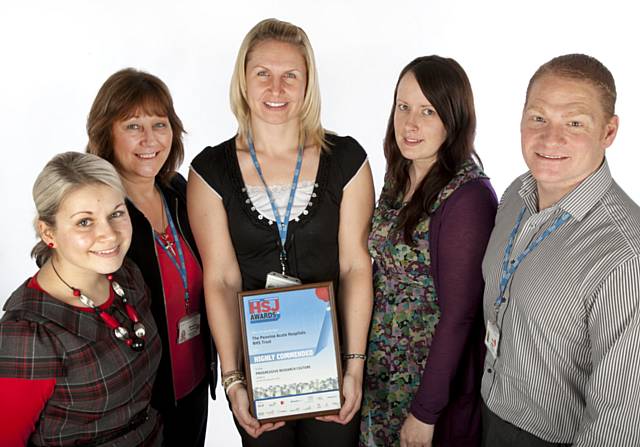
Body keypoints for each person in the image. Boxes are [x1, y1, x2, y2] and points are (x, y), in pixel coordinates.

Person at [188, 18, 374, 447]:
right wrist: (234, 381)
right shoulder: (209, 171)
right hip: (260, 372)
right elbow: (221, 279)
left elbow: (354, 266)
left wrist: (354, 367)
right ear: (243, 80)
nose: (276, 89)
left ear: (308, 83)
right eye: (263, 75)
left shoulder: (348, 159)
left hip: (334, 365)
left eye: (290, 75)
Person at [481, 54, 640, 446]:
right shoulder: (516, 194)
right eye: (538, 118)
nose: (551, 139)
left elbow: (618, 421)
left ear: (608, 131)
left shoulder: (625, 255)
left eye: (574, 123)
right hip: (487, 412)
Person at [360, 56, 498, 447]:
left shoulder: (468, 197)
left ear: (453, 119)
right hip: (381, 369)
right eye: (403, 107)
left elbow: (460, 316)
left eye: (428, 111)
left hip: (428, 384)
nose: (410, 123)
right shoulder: (399, 173)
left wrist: (425, 411)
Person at [86, 68, 216, 447]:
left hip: (193, 382)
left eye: (159, 124)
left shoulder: (179, 191)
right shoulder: (96, 208)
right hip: (134, 402)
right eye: (132, 126)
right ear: (106, 132)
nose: (149, 139)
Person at [0, 152, 162, 446]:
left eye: (116, 214)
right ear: (48, 232)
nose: (109, 235)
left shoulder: (127, 277)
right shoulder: (28, 333)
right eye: (84, 222)